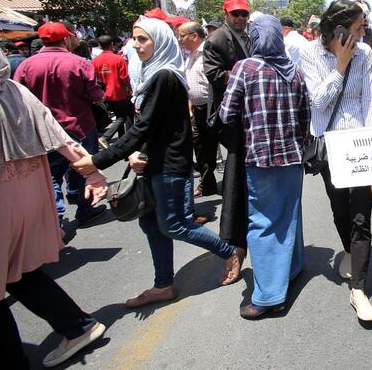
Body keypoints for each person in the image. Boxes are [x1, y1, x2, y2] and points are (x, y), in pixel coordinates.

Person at [72, 17, 245, 308]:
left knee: (174, 225)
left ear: (160, 42)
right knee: (152, 226)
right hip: (153, 161)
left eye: (144, 39)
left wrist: (98, 160)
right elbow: (149, 126)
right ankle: (163, 284)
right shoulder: (152, 74)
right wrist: (135, 153)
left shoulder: (165, 76)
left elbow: (144, 126)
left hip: (170, 164)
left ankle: (228, 251)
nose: (136, 45)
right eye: (134, 39)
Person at [0, 39, 108, 369]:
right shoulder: (15, 90)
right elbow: (57, 133)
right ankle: (77, 325)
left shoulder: (25, 72)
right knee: (18, 272)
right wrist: (92, 173)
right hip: (29, 197)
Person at [219, 14, 310, 319]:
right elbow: (304, 117)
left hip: (260, 159)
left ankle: (270, 296)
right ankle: (292, 268)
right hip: (293, 157)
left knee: (262, 224)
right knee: (289, 213)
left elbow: (227, 114)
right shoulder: (294, 72)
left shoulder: (245, 68)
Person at [299, 0, 372, 321]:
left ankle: (358, 289)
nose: (364, 33)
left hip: (359, 145)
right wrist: (340, 65)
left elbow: (369, 101)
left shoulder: (367, 53)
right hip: (329, 146)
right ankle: (348, 250)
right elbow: (318, 102)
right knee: (340, 209)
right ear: (339, 30)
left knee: (362, 215)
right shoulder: (310, 53)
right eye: (359, 28)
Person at [14, 22, 107, 226]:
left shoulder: (26, 65)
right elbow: (97, 96)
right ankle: (84, 210)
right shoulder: (79, 63)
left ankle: (56, 217)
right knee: (84, 166)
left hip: (43, 129)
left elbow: (18, 98)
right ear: (65, 39)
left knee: (51, 174)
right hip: (79, 126)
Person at [204, 0, 250, 251]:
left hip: (248, 110)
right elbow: (213, 73)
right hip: (230, 112)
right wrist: (244, 75)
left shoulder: (248, 35)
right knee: (234, 165)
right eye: (236, 14)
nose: (241, 18)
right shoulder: (217, 39)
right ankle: (232, 235)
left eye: (244, 14)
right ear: (226, 15)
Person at [178, 21, 218, 198]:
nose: (179, 39)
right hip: (198, 110)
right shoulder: (191, 55)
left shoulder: (207, 53)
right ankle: (207, 184)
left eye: (182, 35)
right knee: (201, 148)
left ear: (194, 36)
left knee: (212, 147)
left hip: (212, 110)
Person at [93, 35, 133, 149]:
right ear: (112, 45)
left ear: (100, 45)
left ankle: (121, 139)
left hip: (104, 94)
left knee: (119, 116)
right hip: (119, 92)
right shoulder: (118, 59)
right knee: (122, 118)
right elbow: (124, 77)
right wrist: (129, 88)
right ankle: (105, 137)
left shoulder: (95, 61)